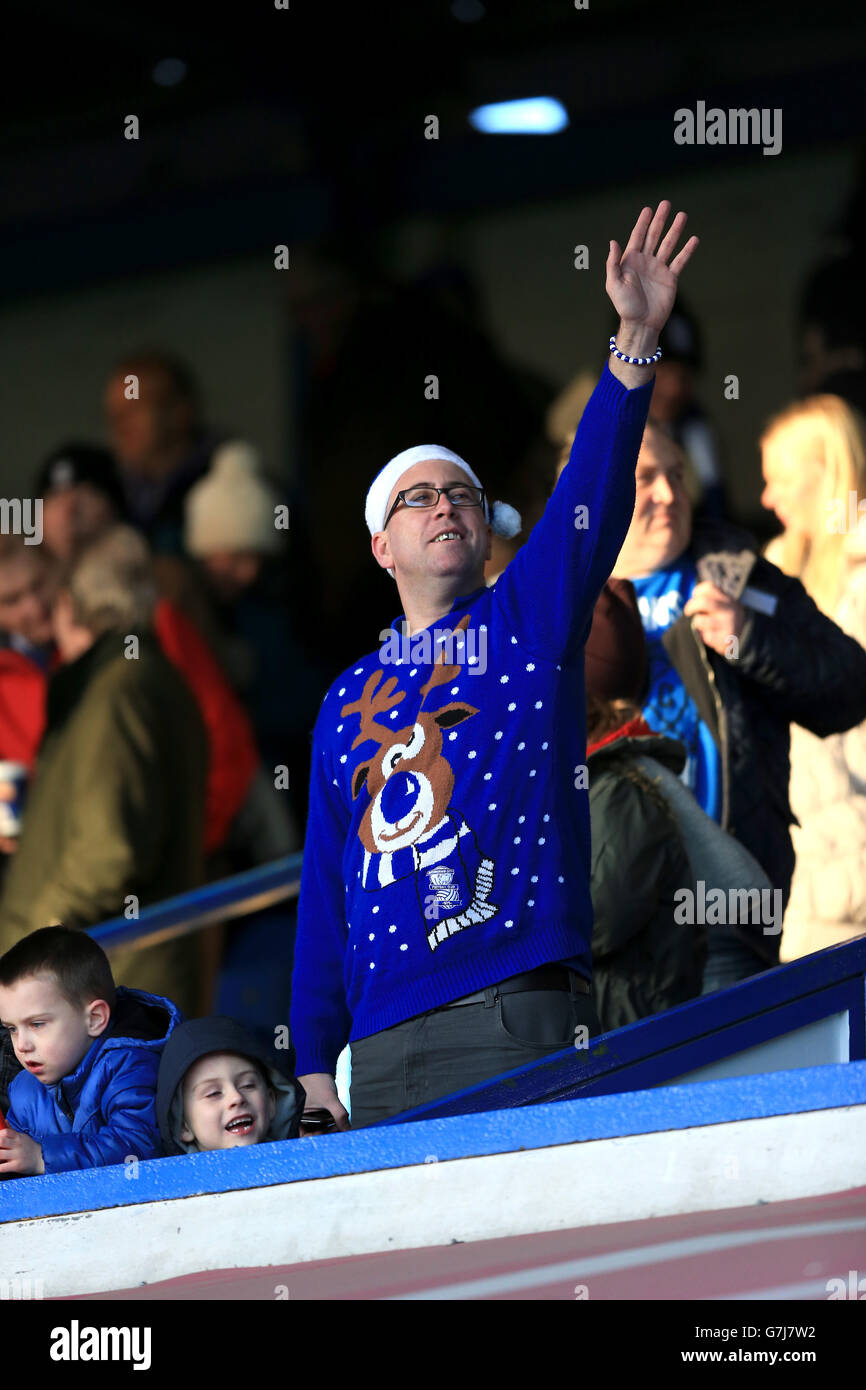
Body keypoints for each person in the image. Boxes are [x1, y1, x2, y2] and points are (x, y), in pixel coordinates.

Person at [290, 200, 700, 1129]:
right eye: (417, 498)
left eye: (463, 496)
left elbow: (591, 491)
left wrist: (634, 338)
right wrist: (315, 1060)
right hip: (380, 1044)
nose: (444, 507)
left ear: (487, 529)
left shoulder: (526, 619)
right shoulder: (346, 697)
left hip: (515, 1006)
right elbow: (325, 886)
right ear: (380, 547)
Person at [606, 420, 866, 990]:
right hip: (606, 920)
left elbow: (849, 688)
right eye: (646, 478)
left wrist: (744, 636)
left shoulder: (741, 577)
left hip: (726, 911)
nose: (671, 494)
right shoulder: (553, 601)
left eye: (677, 474)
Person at [0, 526, 208, 1014]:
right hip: (108, 983)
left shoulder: (118, 689)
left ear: (72, 604)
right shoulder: (134, 678)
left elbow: (106, 855)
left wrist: (25, 939)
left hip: (110, 987)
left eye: (48, 598)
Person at [760, 395, 866, 961]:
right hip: (798, 874)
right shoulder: (772, 575)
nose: (766, 498)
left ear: (826, 473)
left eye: (779, 479)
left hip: (847, 874)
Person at [0, 926, 179, 1175]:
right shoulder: (24, 1089)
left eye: (37, 1024)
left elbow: (138, 1148)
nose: (21, 1045)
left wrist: (43, 1156)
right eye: (11, 1028)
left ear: (94, 1019)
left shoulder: (129, 1065)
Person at [102, 350, 224, 556]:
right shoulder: (107, 497)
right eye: (113, 414)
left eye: (132, 410)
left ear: (180, 412)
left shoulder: (238, 489)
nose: (118, 425)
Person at [156, 1016, 305, 1154]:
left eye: (248, 1085)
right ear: (183, 1126)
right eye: (213, 1093)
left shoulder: (303, 1164)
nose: (236, 1098)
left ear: (271, 1102)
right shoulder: (180, 1182)